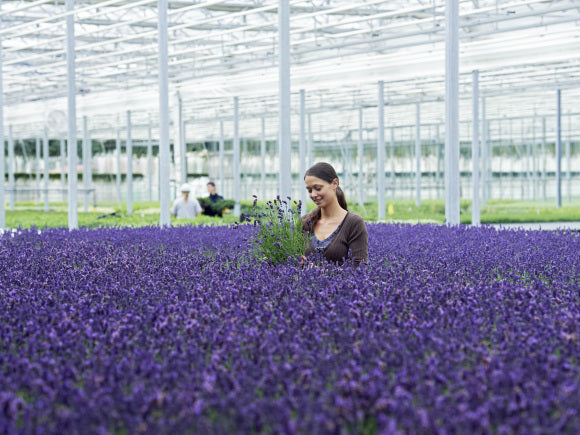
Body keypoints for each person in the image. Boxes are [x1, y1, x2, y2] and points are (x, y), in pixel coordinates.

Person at [302, 162, 368, 267]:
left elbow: (359, 268)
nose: (313, 195)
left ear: (334, 183)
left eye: (318, 188)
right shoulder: (305, 222)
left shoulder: (354, 223)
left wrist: (321, 273)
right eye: (309, 190)